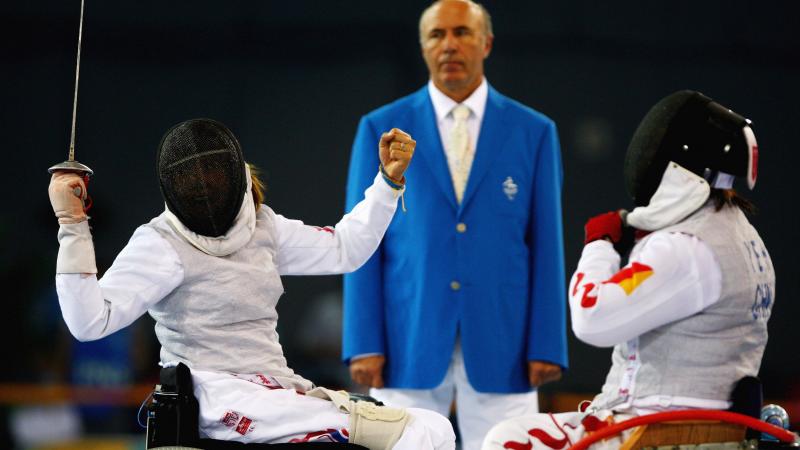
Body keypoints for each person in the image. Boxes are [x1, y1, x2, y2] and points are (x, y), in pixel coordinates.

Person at [48, 118, 456, 449]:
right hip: (213, 397)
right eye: (194, 181)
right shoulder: (161, 243)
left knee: (434, 428)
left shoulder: (263, 227)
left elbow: (346, 249)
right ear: (175, 187)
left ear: (232, 175)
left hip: (277, 389)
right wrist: (72, 226)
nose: (205, 191)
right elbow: (89, 322)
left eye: (211, 177)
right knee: (411, 433)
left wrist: (387, 183)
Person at [481, 90, 774, 450]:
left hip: (655, 430)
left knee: (505, 440)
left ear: (674, 165)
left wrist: (599, 245)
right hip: (707, 427)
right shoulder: (741, 236)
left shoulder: (684, 247)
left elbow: (591, 316)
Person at [342, 1, 568, 448]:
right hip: (407, 334)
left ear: (485, 43)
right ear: (423, 47)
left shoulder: (534, 131)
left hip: (506, 339)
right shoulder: (381, 129)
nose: (449, 45)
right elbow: (361, 242)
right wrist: (362, 340)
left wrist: (547, 343)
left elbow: (547, 244)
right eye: (436, 35)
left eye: (462, 32)